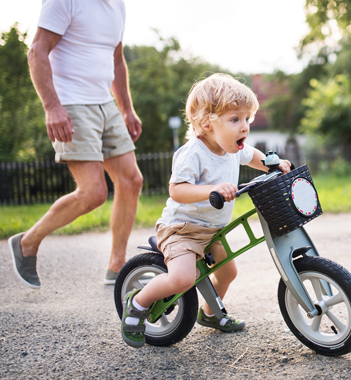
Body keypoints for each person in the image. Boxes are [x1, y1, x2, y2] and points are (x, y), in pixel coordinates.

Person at [120, 74, 291, 348]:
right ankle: (138, 303)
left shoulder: (234, 149)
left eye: (247, 119)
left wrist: (273, 164)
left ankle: (210, 314)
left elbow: (254, 156)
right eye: (235, 120)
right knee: (182, 278)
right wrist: (210, 190)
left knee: (228, 273)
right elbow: (177, 190)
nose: (244, 127)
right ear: (206, 124)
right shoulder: (193, 153)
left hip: (211, 230)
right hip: (181, 230)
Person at [8, 0, 143, 289]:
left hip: (106, 103)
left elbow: (117, 61)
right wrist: (52, 108)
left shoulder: (117, 5)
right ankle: (26, 242)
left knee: (131, 180)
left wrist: (126, 108)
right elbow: (37, 51)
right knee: (93, 192)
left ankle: (117, 266)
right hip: (72, 103)